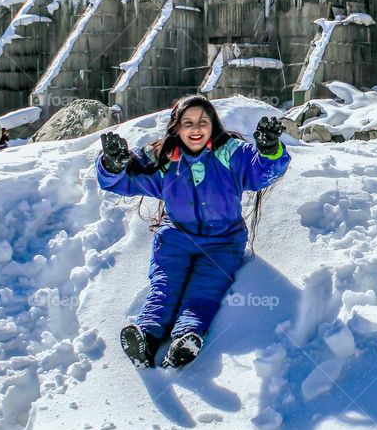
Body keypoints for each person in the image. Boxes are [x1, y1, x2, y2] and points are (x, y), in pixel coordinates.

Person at [95, 95, 290, 369]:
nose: (195, 129)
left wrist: (270, 150)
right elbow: (120, 181)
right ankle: (146, 336)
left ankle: (186, 337)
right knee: (165, 286)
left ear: (213, 125)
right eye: (187, 123)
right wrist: (112, 164)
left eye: (202, 122)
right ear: (176, 127)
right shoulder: (163, 159)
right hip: (176, 238)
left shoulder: (231, 154)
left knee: (204, 289)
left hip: (222, 242)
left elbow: (263, 172)